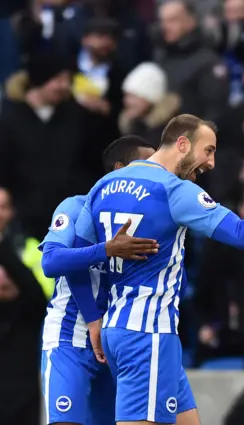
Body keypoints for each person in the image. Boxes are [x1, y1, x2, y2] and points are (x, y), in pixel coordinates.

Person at [58, 114, 244, 425]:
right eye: (208, 150)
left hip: (122, 328)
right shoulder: (174, 190)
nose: (211, 162)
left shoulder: (104, 185)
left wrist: (93, 318)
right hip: (148, 333)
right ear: (182, 144)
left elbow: (73, 259)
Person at [38, 135, 159, 425]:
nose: (156, 171)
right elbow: (51, 261)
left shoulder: (151, 218)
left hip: (117, 339)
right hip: (71, 334)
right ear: (120, 170)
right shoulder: (76, 207)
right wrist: (107, 249)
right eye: (147, 163)